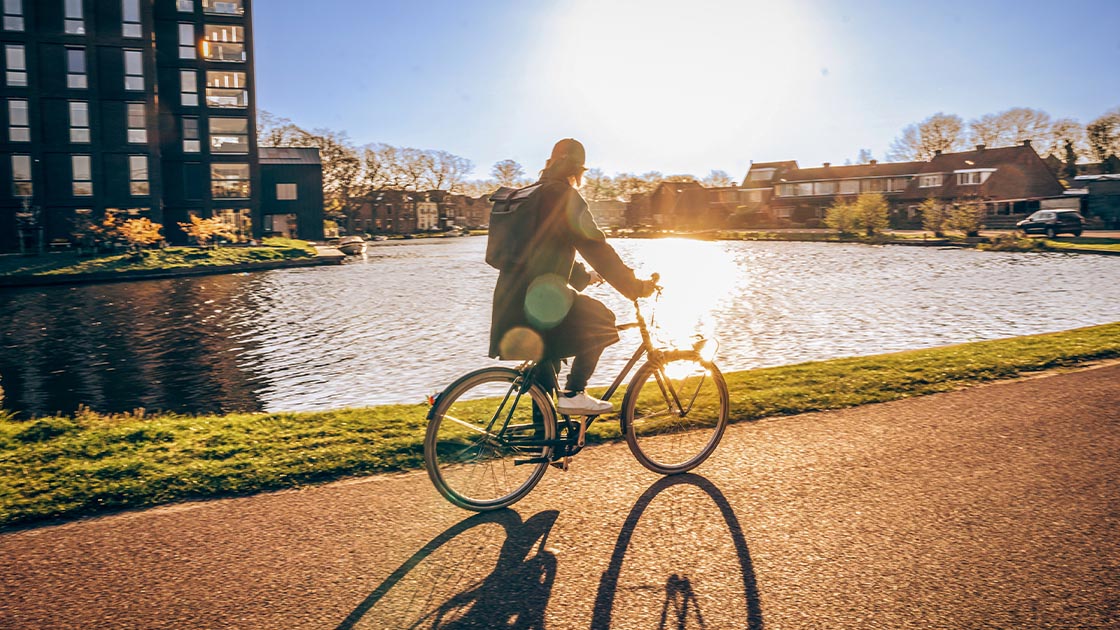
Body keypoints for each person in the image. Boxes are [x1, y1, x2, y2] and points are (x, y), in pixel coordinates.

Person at [488, 138, 657, 415]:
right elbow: (596, 247)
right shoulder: (562, 196)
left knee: (545, 370)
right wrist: (634, 287)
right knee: (602, 320)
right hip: (541, 301)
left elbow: (543, 249)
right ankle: (575, 392)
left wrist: (584, 276)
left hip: (512, 301)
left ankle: (544, 449)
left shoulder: (533, 194)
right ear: (577, 170)